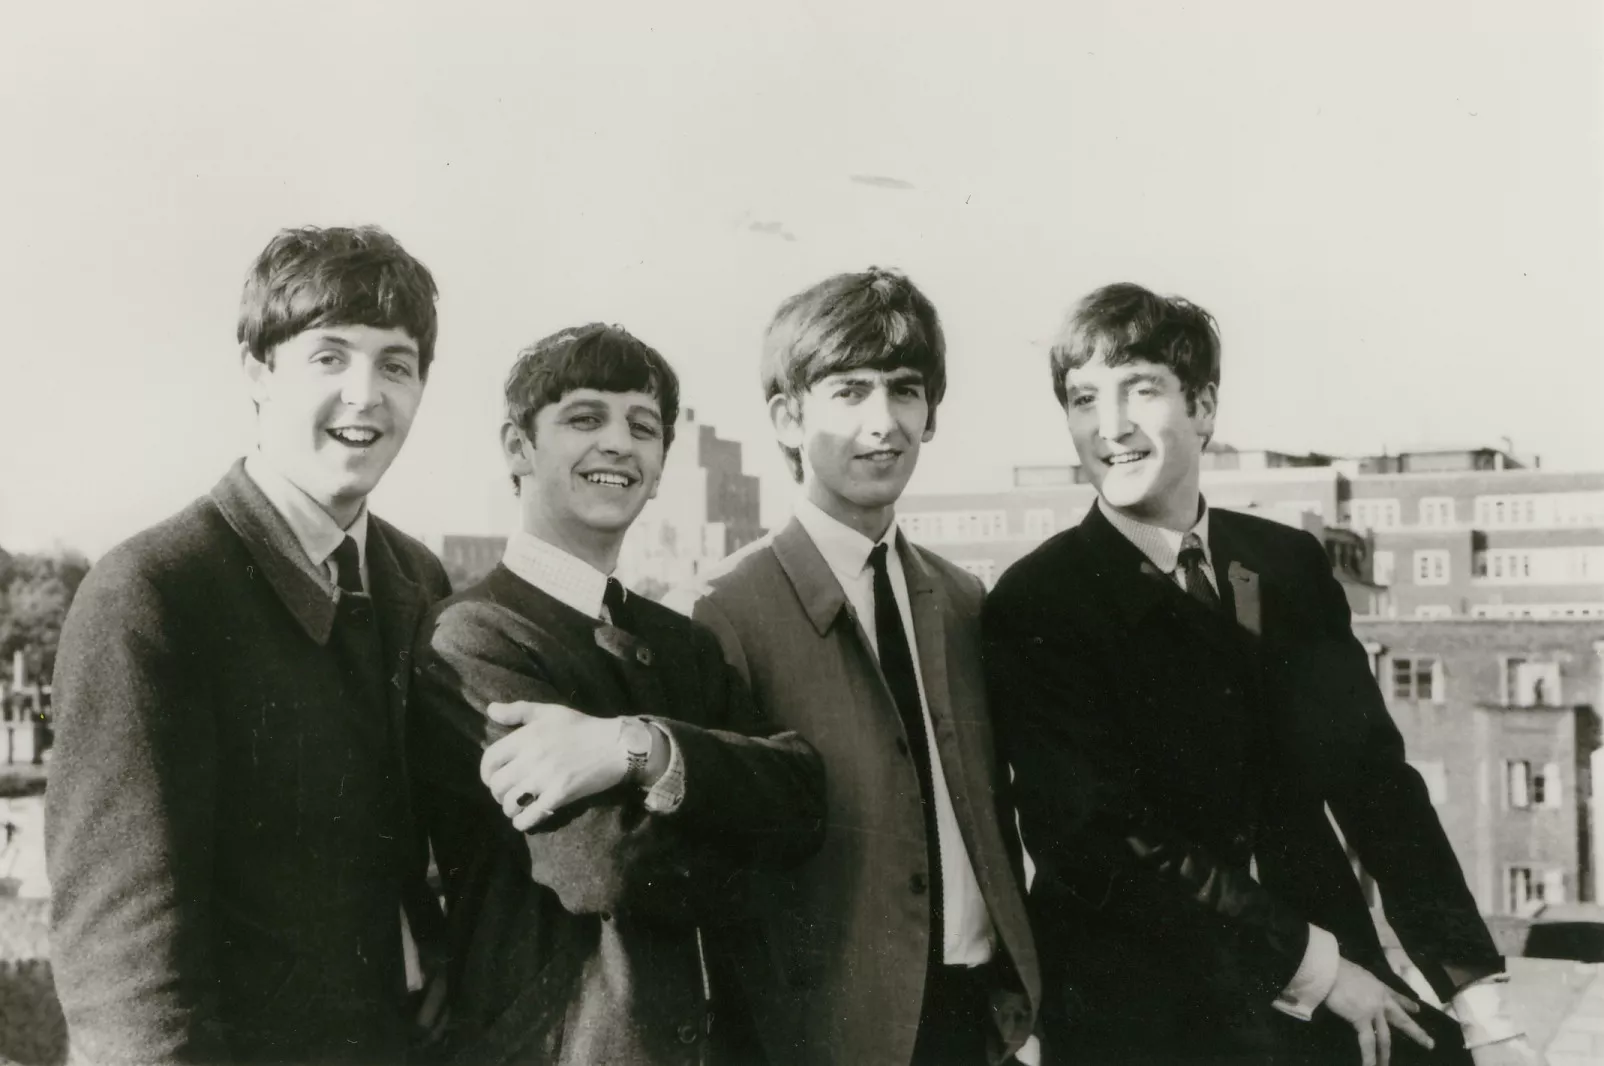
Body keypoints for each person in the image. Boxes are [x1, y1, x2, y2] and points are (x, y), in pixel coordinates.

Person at [983, 282, 1530, 1066]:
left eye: (1141, 390)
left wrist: (1482, 1007)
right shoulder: (1038, 601)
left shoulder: (1287, 566)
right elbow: (1102, 839)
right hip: (1144, 1019)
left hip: (1331, 1005)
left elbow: (1377, 786)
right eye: (1083, 400)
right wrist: (1315, 966)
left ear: (1204, 407)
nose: (1111, 427)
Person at [46, 225, 452, 1063]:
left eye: (396, 365)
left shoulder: (415, 577)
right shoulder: (151, 593)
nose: (366, 395)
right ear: (258, 371)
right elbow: (126, 979)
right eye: (330, 357)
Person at [409, 323, 826, 1064]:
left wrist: (643, 750)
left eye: (642, 427)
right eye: (584, 418)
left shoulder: (684, 641)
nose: (617, 444)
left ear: (661, 468)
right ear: (517, 447)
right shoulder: (469, 639)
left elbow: (804, 797)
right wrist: (742, 821)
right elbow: (607, 866)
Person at [673, 269, 1040, 1065]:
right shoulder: (720, 612)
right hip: (824, 1037)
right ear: (788, 416)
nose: (884, 422)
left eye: (905, 390)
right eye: (849, 391)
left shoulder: (963, 599)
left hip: (974, 1023)